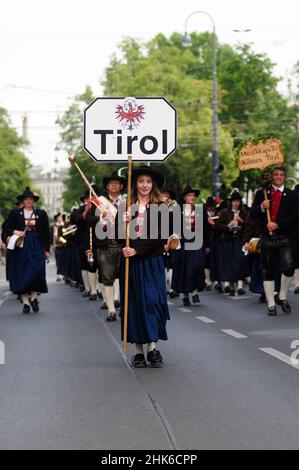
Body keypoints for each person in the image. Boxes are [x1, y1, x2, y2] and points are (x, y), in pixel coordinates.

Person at [117, 166, 170, 368]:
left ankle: (152, 348)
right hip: (131, 264)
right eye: (141, 181)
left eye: (148, 181)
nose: (145, 185)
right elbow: (117, 237)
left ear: (153, 184)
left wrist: (137, 250)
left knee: (152, 302)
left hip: (152, 262)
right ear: (135, 184)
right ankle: (138, 351)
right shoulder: (125, 206)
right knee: (134, 304)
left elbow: (160, 237)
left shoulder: (161, 207)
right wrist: (123, 224)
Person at [250, 166, 297, 315]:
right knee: (268, 270)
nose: (278, 177)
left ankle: (282, 296)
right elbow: (252, 214)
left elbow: (295, 215)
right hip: (267, 238)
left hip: (284, 237)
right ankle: (271, 304)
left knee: (289, 267)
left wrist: (277, 224)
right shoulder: (262, 193)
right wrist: (262, 207)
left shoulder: (292, 194)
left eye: (281, 175)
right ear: (272, 176)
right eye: (276, 174)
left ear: (285, 177)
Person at [87, 172, 125, 321]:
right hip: (105, 244)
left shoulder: (128, 202)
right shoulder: (100, 202)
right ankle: (111, 309)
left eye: (117, 183)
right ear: (107, 187)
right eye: (111, 183)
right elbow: (89, 220)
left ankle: (126, 305)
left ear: (121, 186)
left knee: (126, 277)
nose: (114, 185)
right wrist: (100, 217)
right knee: (107, 278)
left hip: (124, 243)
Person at [5, 187, 50, 314]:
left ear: (33, 201)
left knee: (37, 271)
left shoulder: (41, 213)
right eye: (26, 199)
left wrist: (46, 250)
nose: (29, 201)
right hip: (20, 248)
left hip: (36, 246)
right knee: (22, 273)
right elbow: (7, 229)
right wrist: (16, 231)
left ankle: (34, 297)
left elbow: (46, 233)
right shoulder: (15, 213)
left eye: (30, 199)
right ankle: (25, 302)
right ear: (23, 201)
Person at [171, 185, 206, 307]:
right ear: (184, 197)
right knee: (184, 269)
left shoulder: (200, 210)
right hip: (183, 243)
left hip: (196, 241)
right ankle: (186, 296)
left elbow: (205, 228)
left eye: (194, 195)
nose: (192, 197)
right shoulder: (178, 210)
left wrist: (206, 244)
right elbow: (172, 227)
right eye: (190, 195)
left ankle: (195, 292)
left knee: (197, 266)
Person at [216, 190, 249, 296]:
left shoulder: (245, 213)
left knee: (240, 262)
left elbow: (249, 227)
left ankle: (239, 286)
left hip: (240, 240)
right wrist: (228, 226)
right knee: (228, 263)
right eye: (234, 201)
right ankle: (231, 286)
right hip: (228, 240)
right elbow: (217, 226)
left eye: (238, 201)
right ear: (231, 202)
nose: (236, 203)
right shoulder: (224, 212)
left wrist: (242, 222)